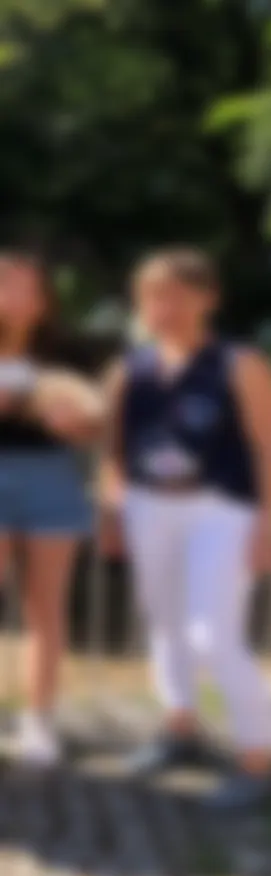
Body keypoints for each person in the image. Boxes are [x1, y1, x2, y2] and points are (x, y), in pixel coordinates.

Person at [99, 247, 271, 810]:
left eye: (178, 294)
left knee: (214, 635)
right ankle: (180, 730)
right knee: (165, 626)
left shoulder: (237, 365)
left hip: (221, 510)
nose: (165, 307)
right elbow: (114, 449)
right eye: (154, 296)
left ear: (208, 298)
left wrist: (269, 525)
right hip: (148, 508)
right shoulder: (130, 371)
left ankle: (257, 759)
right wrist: (111, 511)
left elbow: (268, 446)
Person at [0, 248, 108, 767]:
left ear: (44, 298)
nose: (11, 294)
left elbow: (98, 424)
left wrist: (79, 426)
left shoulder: (74, 353)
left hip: (53, 480)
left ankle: (39, 722)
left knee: (45, 608)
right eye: (3, 283)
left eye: (23, 285)